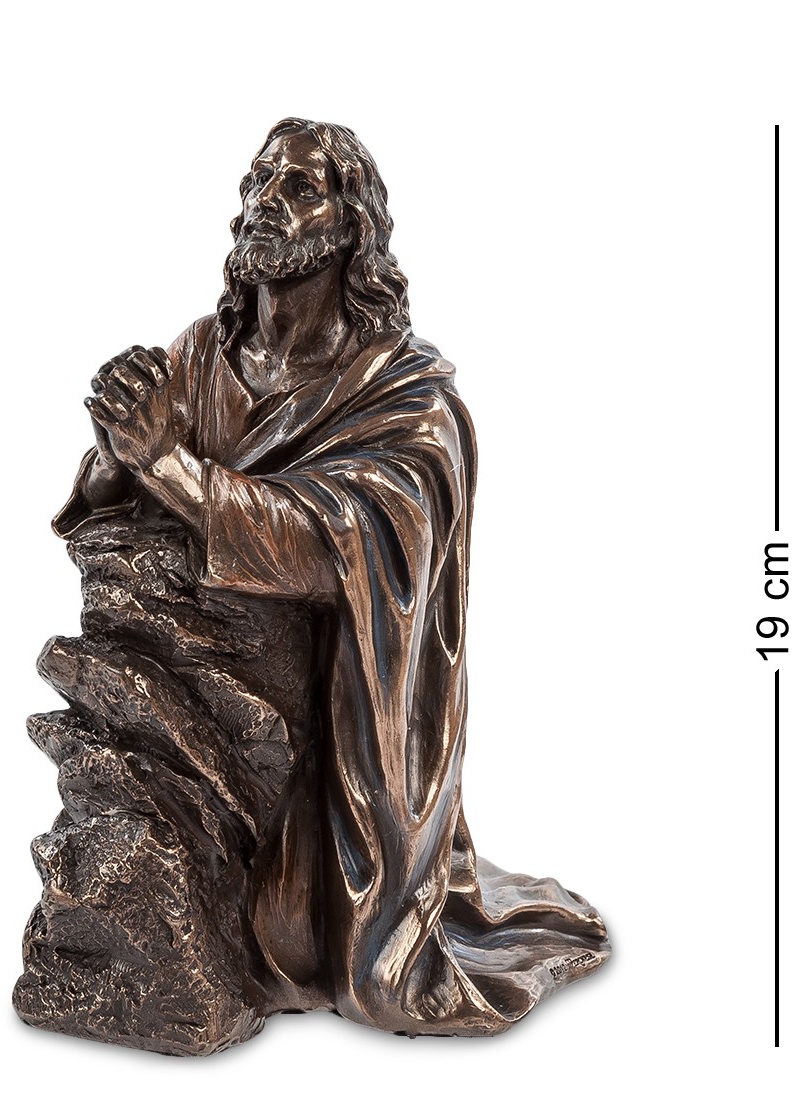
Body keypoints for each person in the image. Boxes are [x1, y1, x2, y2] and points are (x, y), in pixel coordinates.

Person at [49, 118, 609, 1038]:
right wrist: (118, 448)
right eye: (259, 180)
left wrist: (172, 467)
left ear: (354, 229)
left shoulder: (408, 402)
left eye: (300, 187)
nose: (265, 201)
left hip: (329, 736)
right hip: (192, 674)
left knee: (382, 980)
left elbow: (330, 543)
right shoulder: (201, 355)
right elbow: (119, 501)